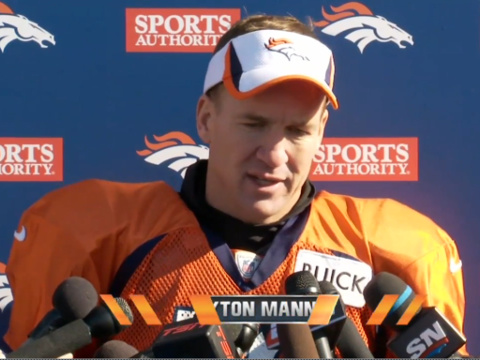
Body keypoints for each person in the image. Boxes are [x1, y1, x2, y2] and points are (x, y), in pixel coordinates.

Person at [4, 14, 468, 357]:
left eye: (297, 131)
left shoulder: (393, 247)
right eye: (253, 124)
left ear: (322, 131)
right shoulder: (98, 230)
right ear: (206, 119)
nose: (274, 154)